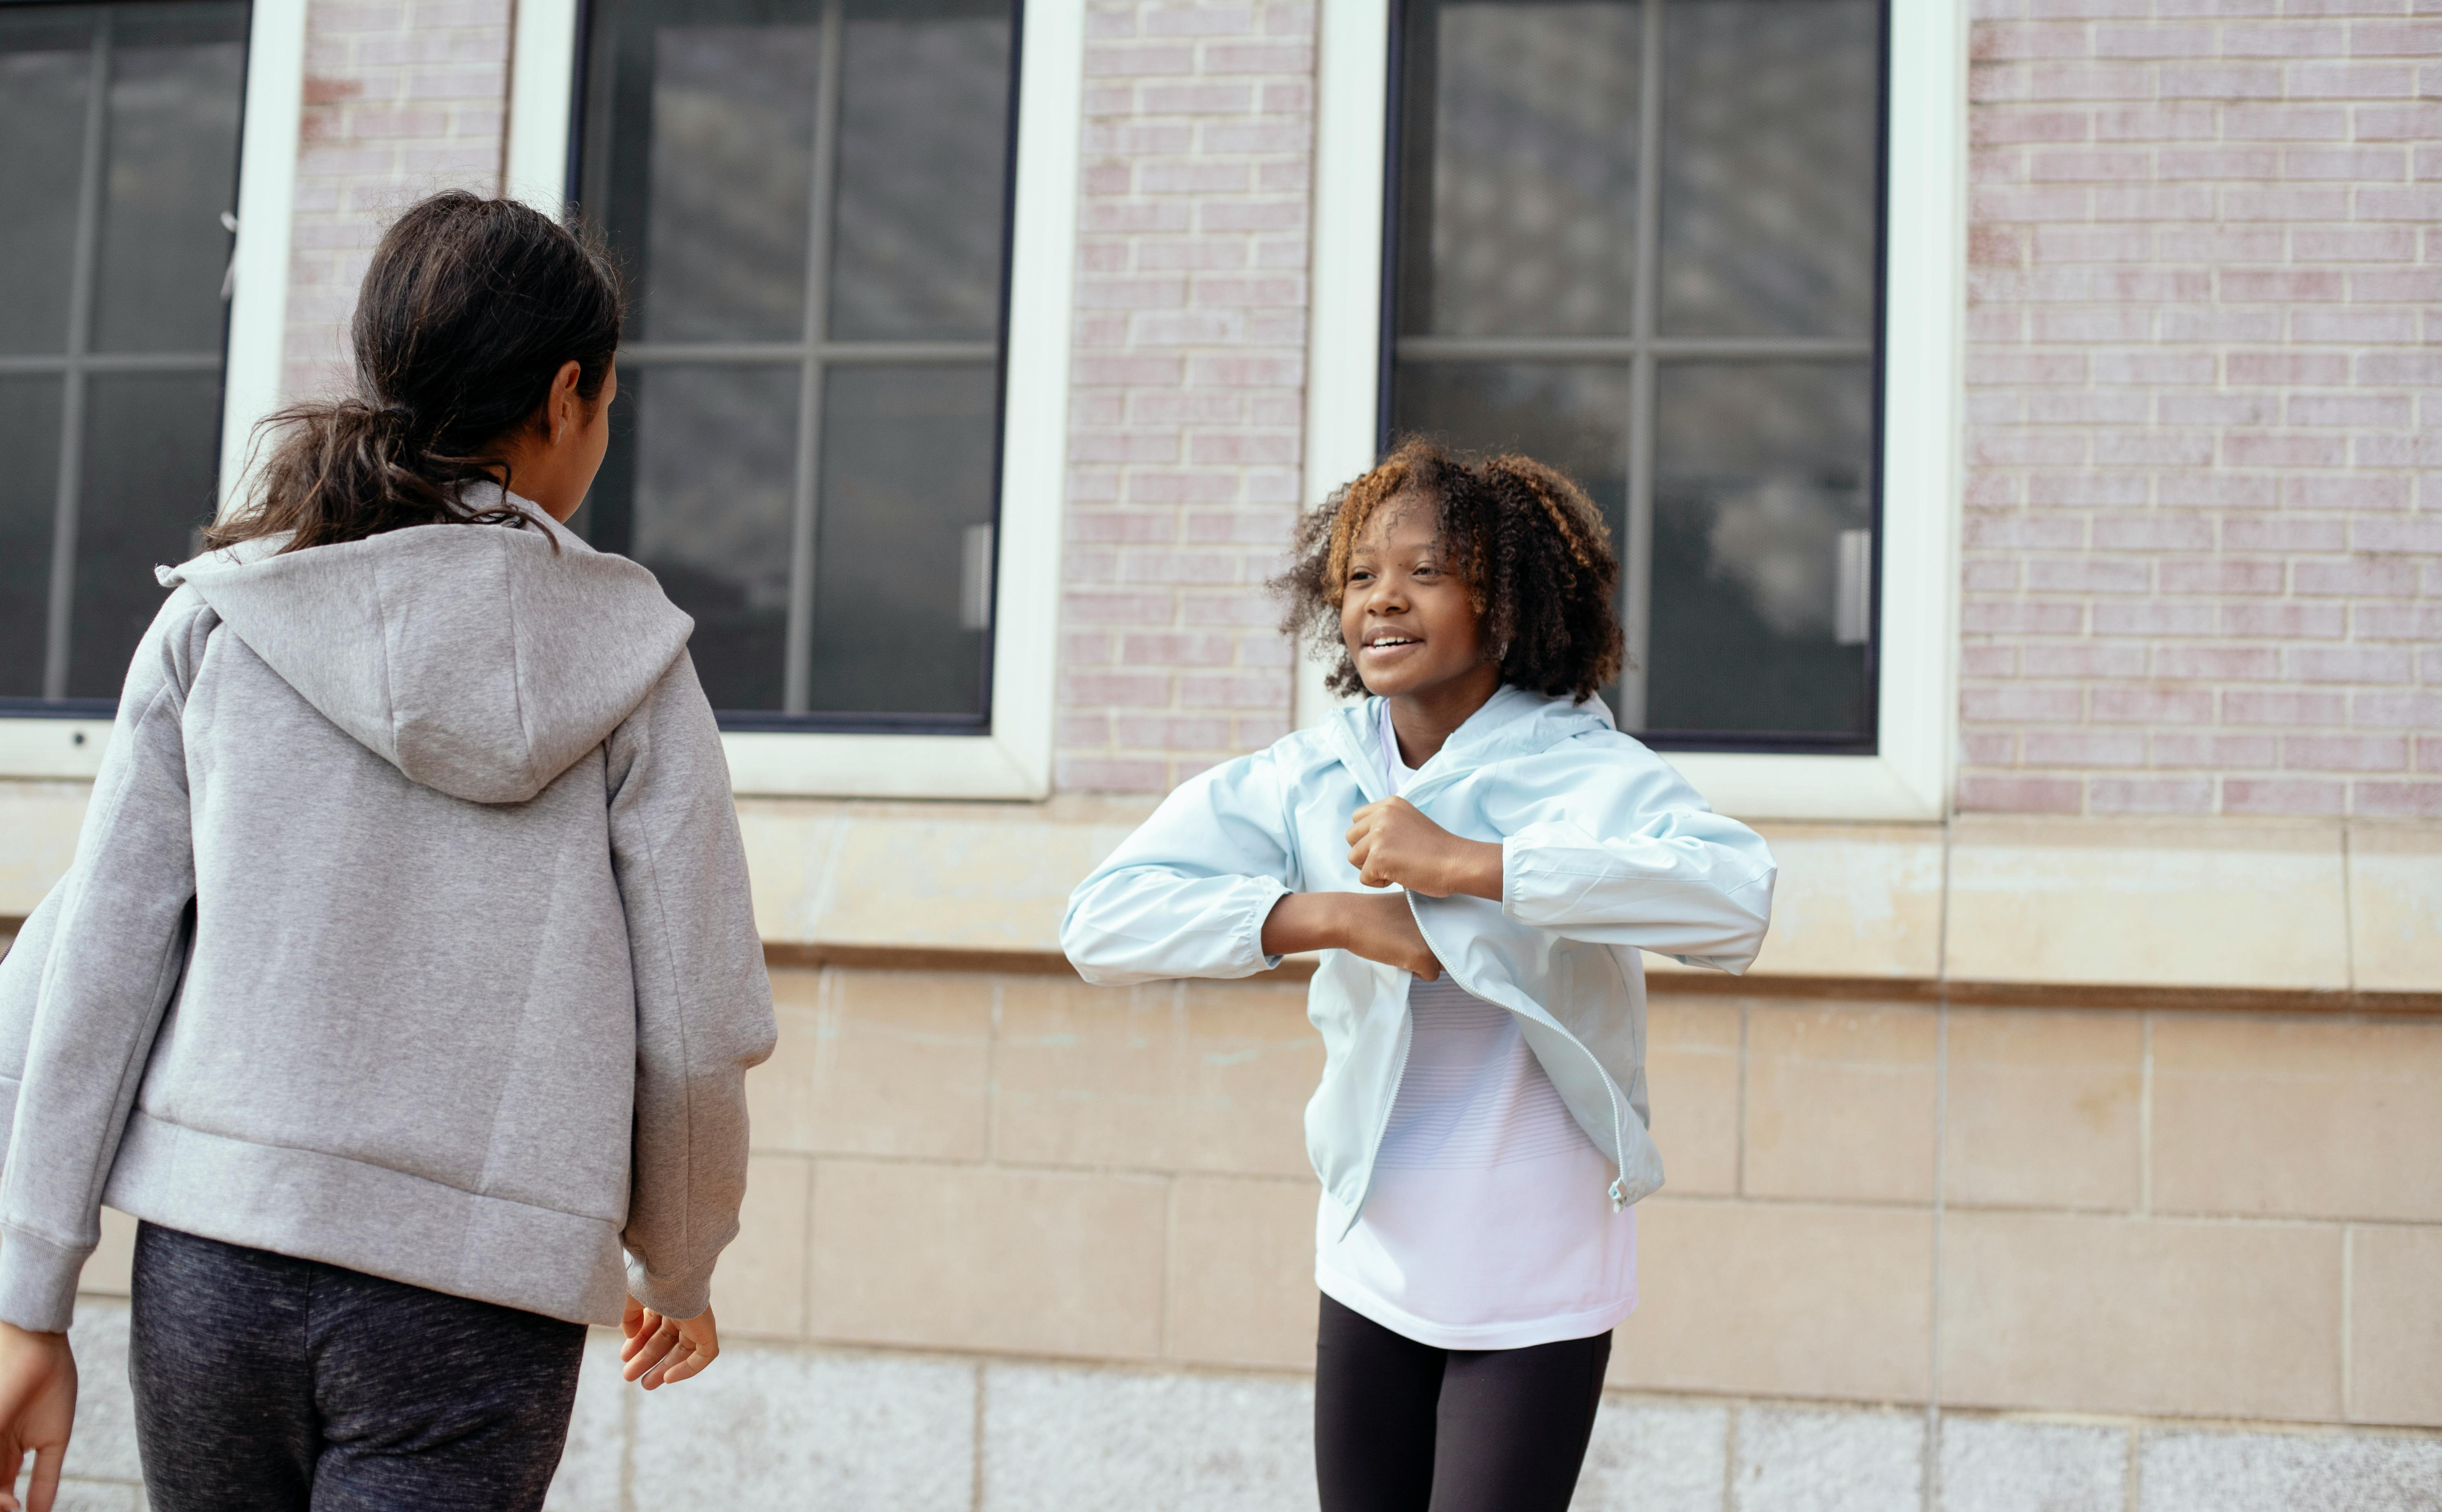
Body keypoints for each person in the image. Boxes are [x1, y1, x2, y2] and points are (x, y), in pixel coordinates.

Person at [0, 190, 777, 1512]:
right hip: (479, 1300)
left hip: (216, 1260)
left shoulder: (222, 626)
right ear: (566, 392)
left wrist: (28, 1295)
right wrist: (681, 1267)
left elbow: (93, 970)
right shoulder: (638, 670)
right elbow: (695, 1028)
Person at [1062, 439, 1777, 1512]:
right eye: (1360, 577)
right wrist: (1334, 917)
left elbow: (1734, 900)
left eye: (1425, 572)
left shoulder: (1580, 770)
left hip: (1536, 1253)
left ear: (1505, 606)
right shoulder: (1312, 772)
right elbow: (1101, 920)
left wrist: (1475, 867)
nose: (1382, 600)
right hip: (1374, 1245)